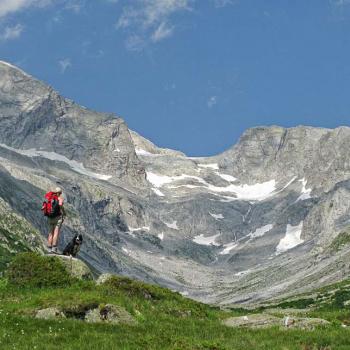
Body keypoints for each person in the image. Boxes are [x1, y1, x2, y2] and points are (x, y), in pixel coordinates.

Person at [47, 187, 66, 253]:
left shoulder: (50, 198)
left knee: (50, 233)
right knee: (56, 232)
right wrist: (64, 212)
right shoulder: (60, 198)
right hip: (57, 218)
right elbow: (60, 204)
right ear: (59, 193)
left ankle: (49, 248)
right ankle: (54, 248)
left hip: (50, 218)